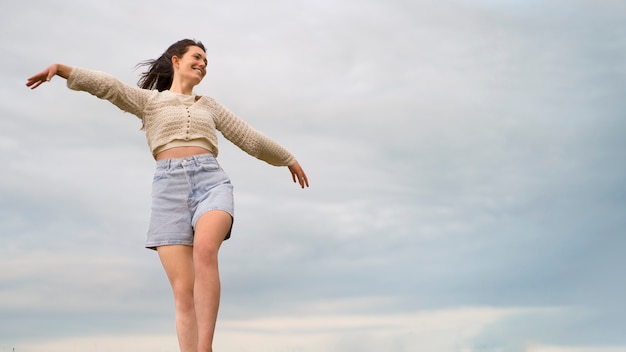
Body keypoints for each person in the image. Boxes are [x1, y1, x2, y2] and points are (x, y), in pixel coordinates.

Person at [26, 39, 309, 352]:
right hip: (168, 191)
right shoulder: (149, 102)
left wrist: (287, 158)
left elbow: (249, 137)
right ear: (176, 60)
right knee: (183, 291)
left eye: (206, 61)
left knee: (204, 249)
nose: (203, 64)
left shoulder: (209, 105)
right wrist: (63, 70)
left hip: (210, 183)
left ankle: (206, 348)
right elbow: (110, 87)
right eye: (197, 57)